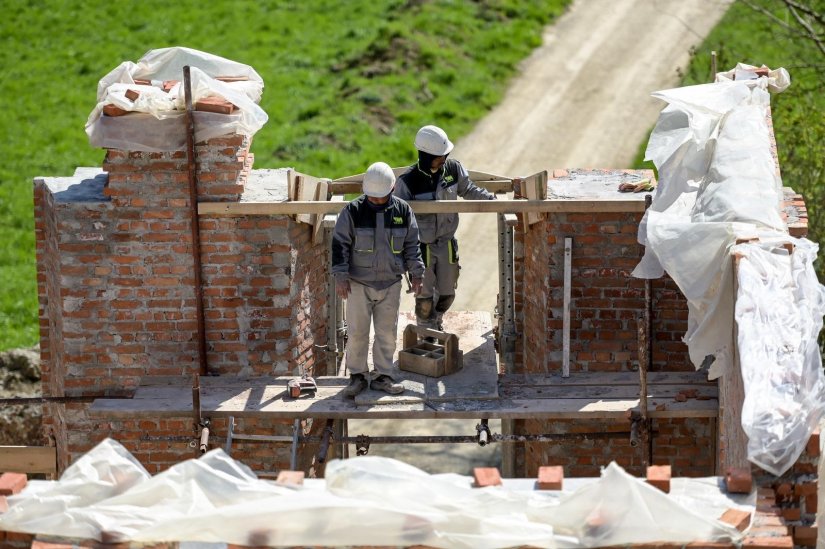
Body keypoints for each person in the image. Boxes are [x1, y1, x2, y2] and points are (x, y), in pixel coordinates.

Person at [332, 162, 425, 398]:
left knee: (386, 334)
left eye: (381, 198)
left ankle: (384, 376)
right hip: (358, 285)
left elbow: (412, 245)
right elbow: (340, 244)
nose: (377, 202)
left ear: (392, 189)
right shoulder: (352, 212)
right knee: (357, 333)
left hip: (390, 284)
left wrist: (417, 273)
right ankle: (357, 376)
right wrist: (341, 276)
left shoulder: (403, 212)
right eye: (372, 198)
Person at [393, 125, 496, 331]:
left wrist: (493, 201)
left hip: (446, 244)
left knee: (448, 294)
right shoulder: (408, 182)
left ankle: (436, 321)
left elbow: (468, 189)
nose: (444, 159)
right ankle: (426, 331)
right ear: (425, 156)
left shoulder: (453, 169)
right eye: (440, 156)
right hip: (422, 248)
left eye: (445, 155)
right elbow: (398, 219)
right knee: (424, 297)